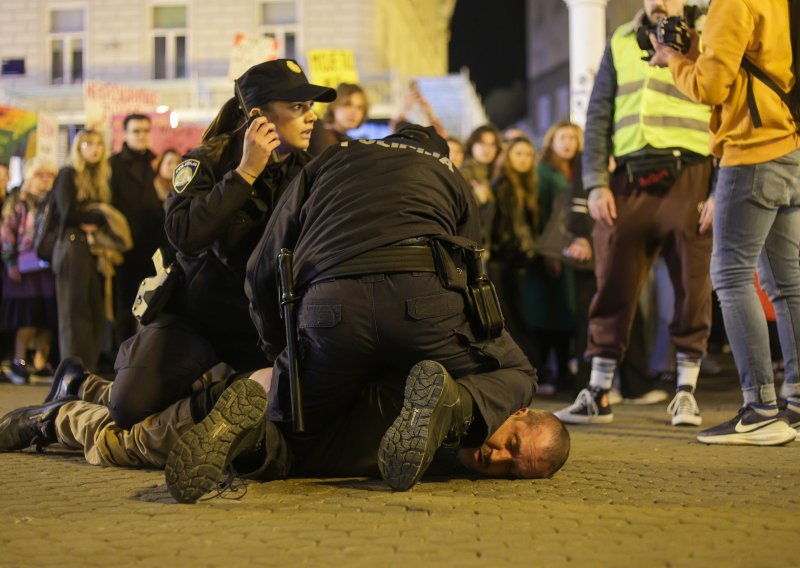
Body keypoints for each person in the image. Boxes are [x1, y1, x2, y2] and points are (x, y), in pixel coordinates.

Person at [165, 124, 570, 502]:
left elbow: (266, 261)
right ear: (436, 152)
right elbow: (471, 267)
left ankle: (251, 437)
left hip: (330, 310)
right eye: (511, 447)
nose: (496, 456)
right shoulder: (449, 173)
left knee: (299, 430)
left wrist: (284, 353)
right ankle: (454, 406)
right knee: (519, 372)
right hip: (424, 307)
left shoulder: (331, 158)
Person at [100, 59, 336, 432]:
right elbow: (185, 235)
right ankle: (94, 384)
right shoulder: (206, 160)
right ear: (259, 116)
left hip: (263, 328)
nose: (310, 117)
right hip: (199, 318)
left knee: (297, 414)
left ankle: (215, 391)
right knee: (128, 408)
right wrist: (245, 173)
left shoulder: (312, 170)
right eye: (297, 107)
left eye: (310, 107)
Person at [554, 0, 716, 427]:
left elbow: (724, 106)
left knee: (692, 284)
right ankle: (599, 390)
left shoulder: (710, 29)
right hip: (628, 177)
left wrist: (720, 188)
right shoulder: (622, 39)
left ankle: (685, 390)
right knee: (612, 282)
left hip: (691, 172)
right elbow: (599, 115)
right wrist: (595, 183)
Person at [650, 0, 799, 444]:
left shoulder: (734, 1)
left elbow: (712, 87)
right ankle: (794, 405)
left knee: (730, 277)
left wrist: (673, 57)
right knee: (788, 284)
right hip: (790, 147)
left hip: (752, 152)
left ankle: (759, 410)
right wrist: (697, 45)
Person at [52, 130, 129, 371]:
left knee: (96, 312)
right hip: (72, 246)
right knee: (75, 314)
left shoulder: (102, 177)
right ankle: (72, 373)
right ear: (78, 147)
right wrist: (98, 215)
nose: (94, 149)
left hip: (95, 251)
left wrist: (97, 217)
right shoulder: (68, 174)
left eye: (98, 144)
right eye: (88, 143)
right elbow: (67, 214)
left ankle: (88, 372)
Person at [527, 122, 582, 393]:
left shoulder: (577, 171)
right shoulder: (545, 172)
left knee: (567, 314)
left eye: (573, 137)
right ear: (551, 141)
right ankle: (544, 372)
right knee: (548, 314)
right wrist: (548, 252)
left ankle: (562, 370)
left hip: (574, 253)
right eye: (562, 137)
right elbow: (541, 216)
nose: (568, 142)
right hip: (550, 252)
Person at [0, 157, 58, 384]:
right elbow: (6, 235)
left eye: (48, 176)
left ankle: (41, 364)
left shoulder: (53, 202)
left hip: (47, 266)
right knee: (26, 318)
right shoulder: (18, 201)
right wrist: (11, 263)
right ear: (28, 176)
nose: (44, 181)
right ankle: (19, 362)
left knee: (47, 316)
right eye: (39, 175)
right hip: (23, 268)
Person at [110, 114, 165, 345]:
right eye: (136, 131)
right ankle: (121, 355)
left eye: (145, 130)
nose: (142, 135)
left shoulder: (152, 164)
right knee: (124, 304)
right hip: (125, 247)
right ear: (125, 134)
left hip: (151, 247)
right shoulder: (113, 165)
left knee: (149, 303)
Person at [488, 136, 539, 363]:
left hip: (515, 261)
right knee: (514, 319)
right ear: (508, 157)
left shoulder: (525, 185)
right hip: (507, 262)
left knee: (520, 317)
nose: (524, 159)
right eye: (518, 153)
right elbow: (509, 229)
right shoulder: (506, 185)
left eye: (528, 154)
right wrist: (524, 255)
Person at [460, 124, 503, 248]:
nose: (487, 149)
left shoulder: (486, 173)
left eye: (492, 145)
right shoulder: (466, 172)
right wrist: (478, 198)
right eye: (482, 143)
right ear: (472, 144)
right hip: (468, 246)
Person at [308, 83, 369, 155]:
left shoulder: (348, 142)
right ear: (334, 106)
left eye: (359, 107)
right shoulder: (319, 136)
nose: (354, 112)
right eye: (347, 104)